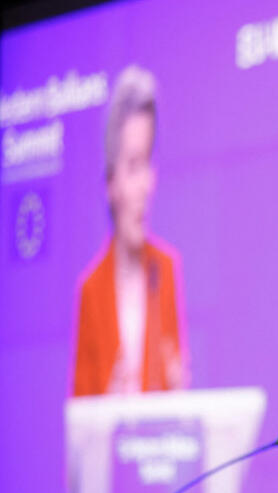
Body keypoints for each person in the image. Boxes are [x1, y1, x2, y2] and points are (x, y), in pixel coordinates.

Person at [72, 64, 188, 396]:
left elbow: (174, 404)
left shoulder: (165, 269)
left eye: (148, 163)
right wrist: (107, 408)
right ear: (111, 183)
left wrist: (180, 395)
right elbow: (80, 431)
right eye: (134, 166)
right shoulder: (90, 291)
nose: (147, 184)